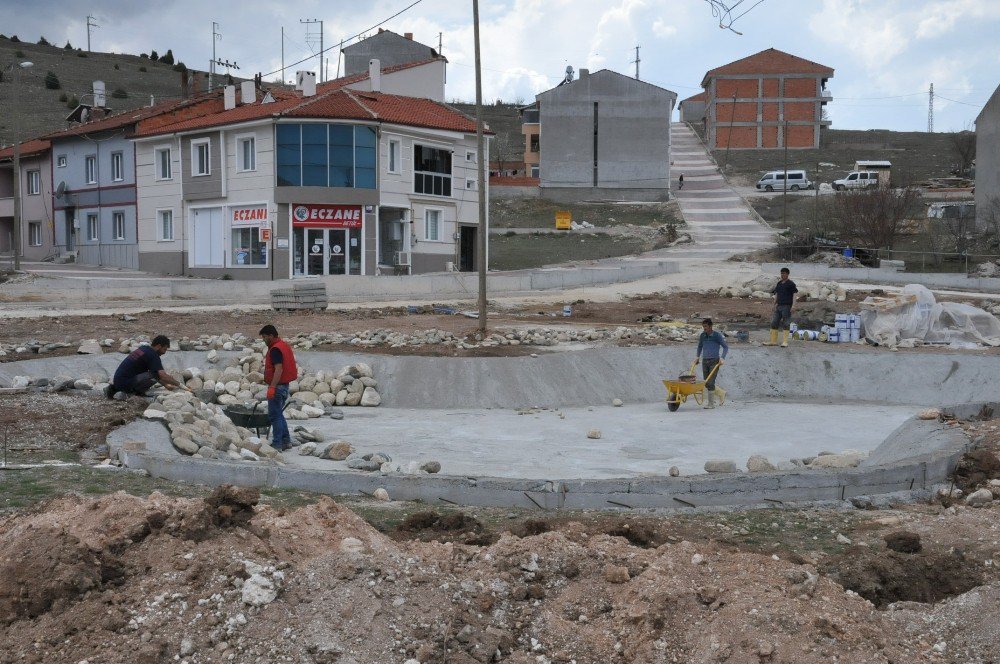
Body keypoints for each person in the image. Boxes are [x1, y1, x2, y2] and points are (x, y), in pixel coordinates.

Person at [106, 335, 181, 398]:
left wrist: (166, 385)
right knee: (154, 375)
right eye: (164, 349)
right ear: (158, 346)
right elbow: (161, 375)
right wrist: (179, 384)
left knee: (154, 373)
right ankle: (136, 392)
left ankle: (114, 389)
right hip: (127, 384)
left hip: (118, 381)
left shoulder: (144, 349)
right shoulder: (153, 355)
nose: (164, 352)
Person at [260, 324, 297, 452]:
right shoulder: (283, 345)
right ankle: (286, 441)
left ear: (271, 335)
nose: (263, 340)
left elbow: (279, 369)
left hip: (278, 387)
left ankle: (277, 444)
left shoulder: (275, 349)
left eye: (264, 337)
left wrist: (272, 387)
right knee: (279, 415)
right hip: (284, 386)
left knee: (274, 416)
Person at [695, 318, 728, 409]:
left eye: (705, 326)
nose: (704, 328)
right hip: (705, 361)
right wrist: (697, 357)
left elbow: (725, 347)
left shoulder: (717, 336)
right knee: (706, 383)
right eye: (703, 326)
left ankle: (711, 404)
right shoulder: (702, 336)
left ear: (710, 326)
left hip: (714, 361)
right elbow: (699, 347)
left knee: (710, 382)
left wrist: (722, 358)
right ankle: (721, 393)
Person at [764, 267, 798, 348]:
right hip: (779, 306)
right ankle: (773, 341)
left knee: (786, 323)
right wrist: (774, 304)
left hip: (787, 306)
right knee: (774, 322)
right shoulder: (779, 283)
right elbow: (777, 294)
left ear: (787, 274)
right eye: (781, 273)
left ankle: (785, 342)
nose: (782, 275)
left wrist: (793, 305)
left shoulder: (791, 284)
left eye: (784, 273)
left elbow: (795, 294)